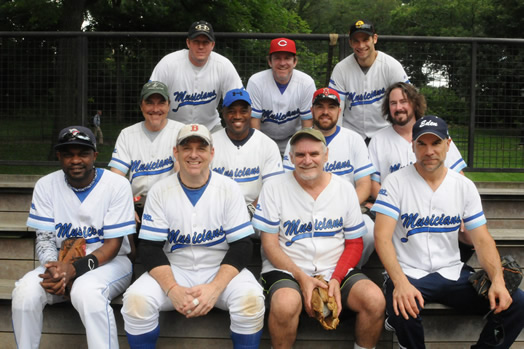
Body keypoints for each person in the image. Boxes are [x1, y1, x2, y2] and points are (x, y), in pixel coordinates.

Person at [372, 115, 524, 348]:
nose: (429, 150)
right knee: (403, 307)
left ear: (448, 145)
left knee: (516, 302)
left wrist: (497, 280)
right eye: (422, 143)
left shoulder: (463, 186)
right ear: (412, 146)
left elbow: (482, 240)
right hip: (409, 272)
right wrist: (400, 283)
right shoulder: (395, 182)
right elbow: (382, 238)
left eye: (436, 143)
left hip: (452, 272)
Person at [121, 124, 265, 349]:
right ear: (175, 152)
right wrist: (173, 290)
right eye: (186, 148)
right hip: (174, 269)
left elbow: (242, 246)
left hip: (220, 269)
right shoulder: (160, 190)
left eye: (201, 148)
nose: (194, 154)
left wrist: (215, 288)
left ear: (212, 153)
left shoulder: (229, 188)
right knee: (136, 301)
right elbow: (149, 248)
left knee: (251, 300)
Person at [252, 128, 385, 349]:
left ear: (326, 155)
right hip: (287, 268)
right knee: (285, 304)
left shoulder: (344, 189)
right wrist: (302, 278)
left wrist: (336, 278)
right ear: (291, 158)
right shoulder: (273, 187)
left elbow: (354, 243)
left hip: (335, 268)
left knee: (375, 299)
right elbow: (269, 245)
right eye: (300, 155)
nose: (307, 160)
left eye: (314, 154)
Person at [12, 126, 135, 348]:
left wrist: (74, 271)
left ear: (95, 156)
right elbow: (45, 239)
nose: (75, 160)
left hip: (111, 263)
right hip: (61, 263)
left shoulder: (117, 185)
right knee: (24, 291)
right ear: (59, 156)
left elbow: (113, 246)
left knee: (87, 291)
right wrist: (54, 270)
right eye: (68, 154)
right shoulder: (45, 185)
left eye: (83, 153)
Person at [282, 88, 376, 267]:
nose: (325, 112)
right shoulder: (297, 140)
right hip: (304, 207)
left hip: (346, 208)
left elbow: (365, 185)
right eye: (320, 107)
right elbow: (289, 180)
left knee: (369, 233)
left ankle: (347, 273)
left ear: (339, 111)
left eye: (331, 107)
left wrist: (343, 209)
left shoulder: (353, 139)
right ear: (312, 110)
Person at [109, 81, 184, 228]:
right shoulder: (127, 134)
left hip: (170, 204)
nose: (155, 109)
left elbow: (183, 174)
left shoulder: (181, 131)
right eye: (149, 103)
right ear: (141, 106)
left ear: (169, 105)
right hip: (137, 204)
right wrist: (126, 206)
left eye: (161, 103)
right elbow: (116, 178)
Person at [150, 20, 243, 132]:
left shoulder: (223, 65)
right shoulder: (168, 63)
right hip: (172, 128)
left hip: (211, 127)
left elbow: (238, 100)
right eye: (196, 41)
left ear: (212, 45)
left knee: (226, 146)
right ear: (188, 43)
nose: (200, 46)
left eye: (205, 42)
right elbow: (150, 97)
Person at [329, 20, 409, 142]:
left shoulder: (391, 66)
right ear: (350, 42)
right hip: (352, 134)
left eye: (365, 39)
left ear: (374, 39)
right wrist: (337, 140)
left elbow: (408, 102)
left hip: (386, 133)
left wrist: (407, 135)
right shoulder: (341, 69)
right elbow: (335, 107)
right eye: (356, 41)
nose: (361, 45)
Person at [211, 88, 283, 219]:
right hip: (216, 214)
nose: (237, 116)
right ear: (223, 113)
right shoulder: (210, 143)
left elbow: (273, 188)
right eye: (231, 111)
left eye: (243, 111)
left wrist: (248, 212)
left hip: (256, 214)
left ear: (250, 112)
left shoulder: (267, 144)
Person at [247, 37, 316, 154]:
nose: (282, 63)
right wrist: (258, 151)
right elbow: (254, 123)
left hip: (295, 140)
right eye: (277, 58)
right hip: (264, 140)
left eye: (287, 58)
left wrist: (303, 151)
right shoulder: (256, 81)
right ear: (270, 61)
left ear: (295, 62)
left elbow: (307, 124)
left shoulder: (306, 83)